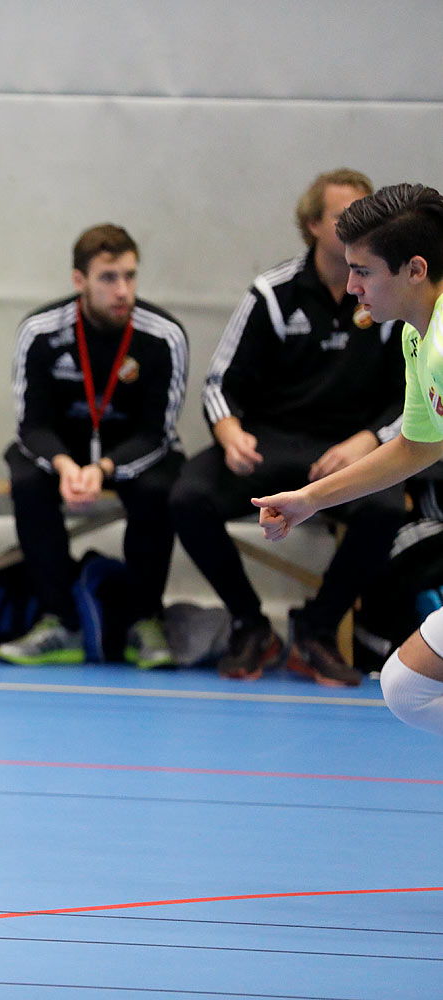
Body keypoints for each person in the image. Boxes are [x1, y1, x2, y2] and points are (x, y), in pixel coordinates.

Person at [171, 169, 404, 686]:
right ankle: (251, 625)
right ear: (313, 225)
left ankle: (317, 631)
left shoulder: (388, 296)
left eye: (370, 216)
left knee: (388, 507)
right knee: (187, 496)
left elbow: (410, 398)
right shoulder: (273, 293)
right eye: (346, 217)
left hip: (348, 451)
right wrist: (229, 432)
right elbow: (218, 383)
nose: (360, 226)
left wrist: (367, 441)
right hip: (270, 445)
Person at [255, 183, 443, 731]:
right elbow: (417, 446)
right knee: (407, 687)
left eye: (363, 270)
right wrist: (308, 500)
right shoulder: (417, 337)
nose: (351, 283)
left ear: (414, 269)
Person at [0, 224, 188, 668]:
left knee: (162, 489)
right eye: (108, 278)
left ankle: (144, 619)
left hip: (134, 449)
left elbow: (156, 430)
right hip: (61, 448)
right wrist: (65, 464)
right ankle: (59, 620)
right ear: (79, 281)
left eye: (130, 276)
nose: (122, 290)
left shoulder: (163, 336)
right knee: (27, 481)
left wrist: (102, 468)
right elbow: (31, 425)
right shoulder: (41, 331)